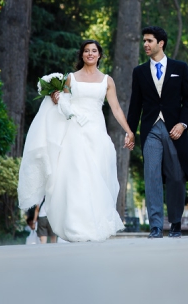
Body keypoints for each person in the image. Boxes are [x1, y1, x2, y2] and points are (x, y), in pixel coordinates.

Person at [18, 39, 134, 242]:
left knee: (97, 177)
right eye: (86, 51)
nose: (90, 54)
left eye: (94, 51)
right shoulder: (71, 79)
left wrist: (129, 131)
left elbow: (115, 108)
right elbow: (64, 105)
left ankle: (95, 225)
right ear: (82, 55)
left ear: (99, 55)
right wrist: (56, 99)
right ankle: (76, 227)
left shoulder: (107, 81)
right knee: (77, 176)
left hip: (96, 132)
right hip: (75, 132)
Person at [127, 26, 188, 238]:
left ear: (161, 43)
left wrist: (182, 124)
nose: (145, 44)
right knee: (152, 176)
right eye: (144, 41)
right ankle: (156, 226)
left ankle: (175, 223)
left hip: (175, 130)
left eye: (149, 41)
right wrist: (130, 131)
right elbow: (135, 105)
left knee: (176, 177)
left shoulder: (180, 68)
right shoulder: (139, 72)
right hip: (151, 131)